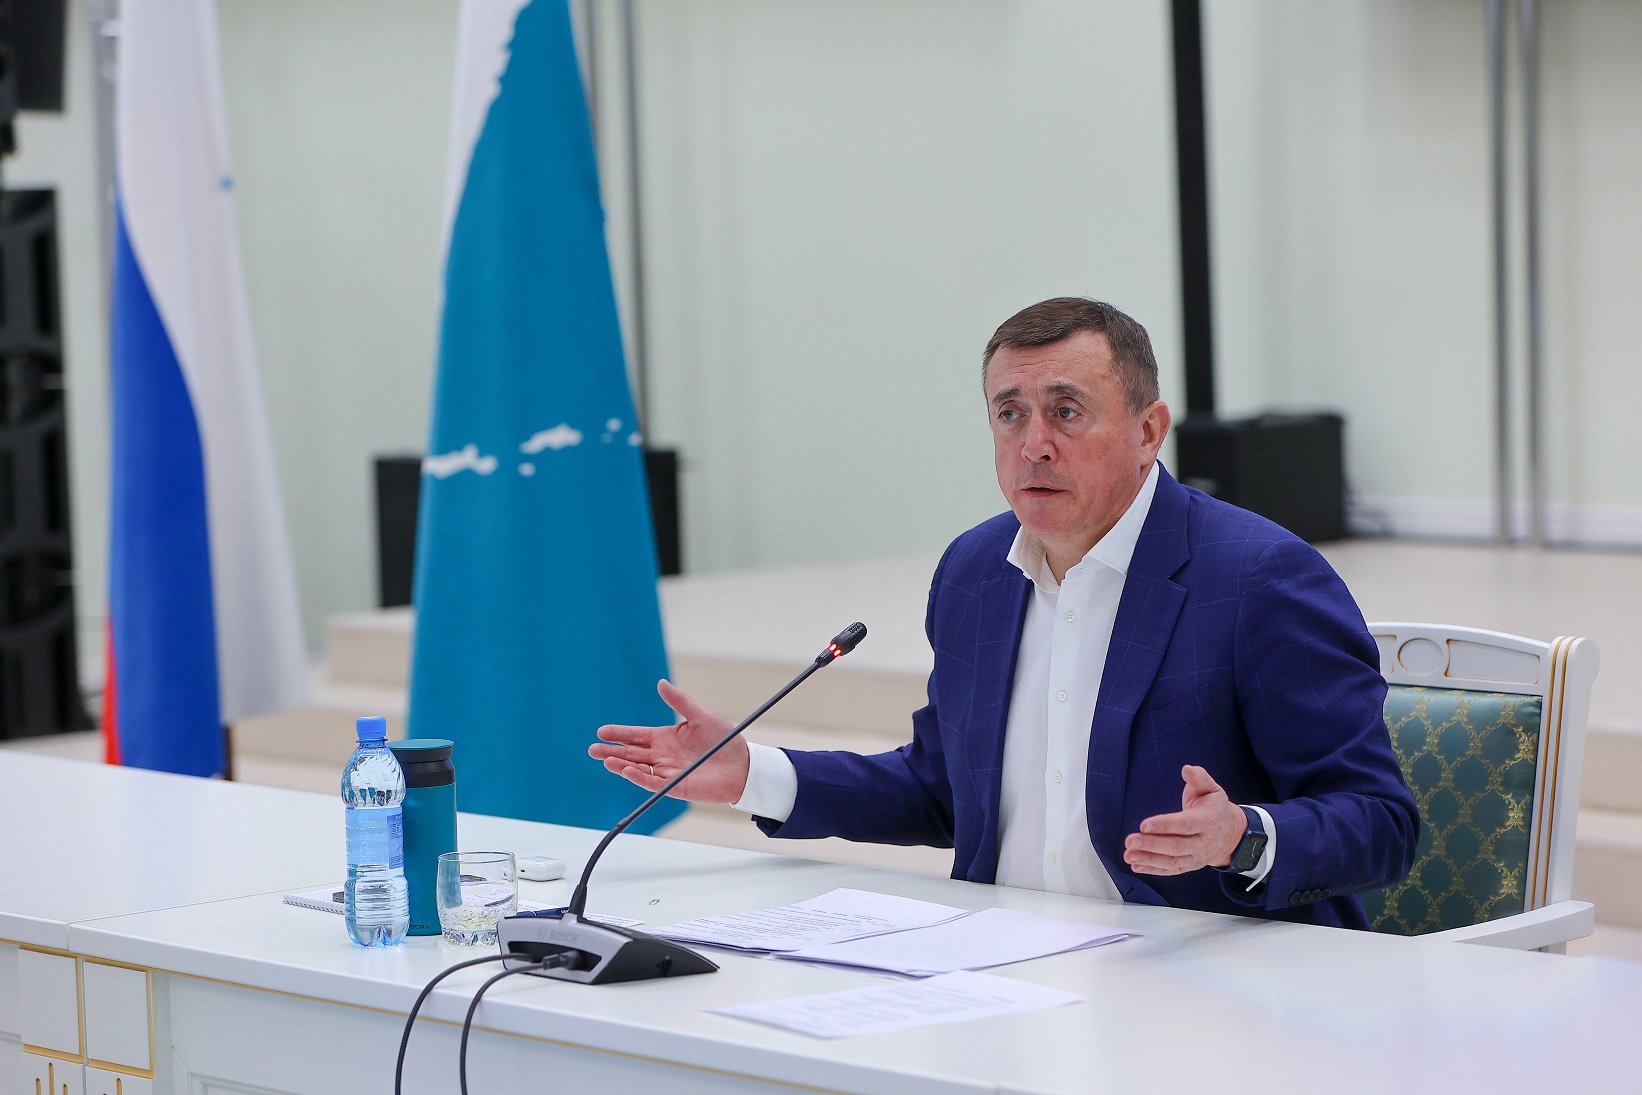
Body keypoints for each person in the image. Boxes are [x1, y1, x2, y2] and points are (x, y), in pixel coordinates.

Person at [590, 297, 1417, 928]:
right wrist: (752, 773)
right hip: (1002, 965)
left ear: (1148, 430)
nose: (1033, 444)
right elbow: (943, 790)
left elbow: (1381, 822)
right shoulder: (976, 571)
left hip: (1202, 977)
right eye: (1009, 413)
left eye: (1066, 410)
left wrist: (1243, 835)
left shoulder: (1258, 577)